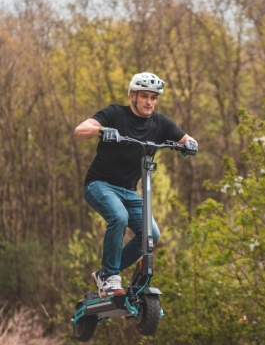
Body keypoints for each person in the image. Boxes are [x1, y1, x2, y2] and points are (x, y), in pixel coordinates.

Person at [74, 72, 197, 297]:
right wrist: (101, 131)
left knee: (151, 234)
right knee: (118, 217)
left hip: (128, 191)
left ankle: (105, 274)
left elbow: (185, 138)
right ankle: (111, 278)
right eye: (144, 96)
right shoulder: (115, 114)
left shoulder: (160, 123)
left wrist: (190, 144)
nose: (149, 102)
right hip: (99, 185)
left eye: (153, 97)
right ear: (132, 95)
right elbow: (80, 130)